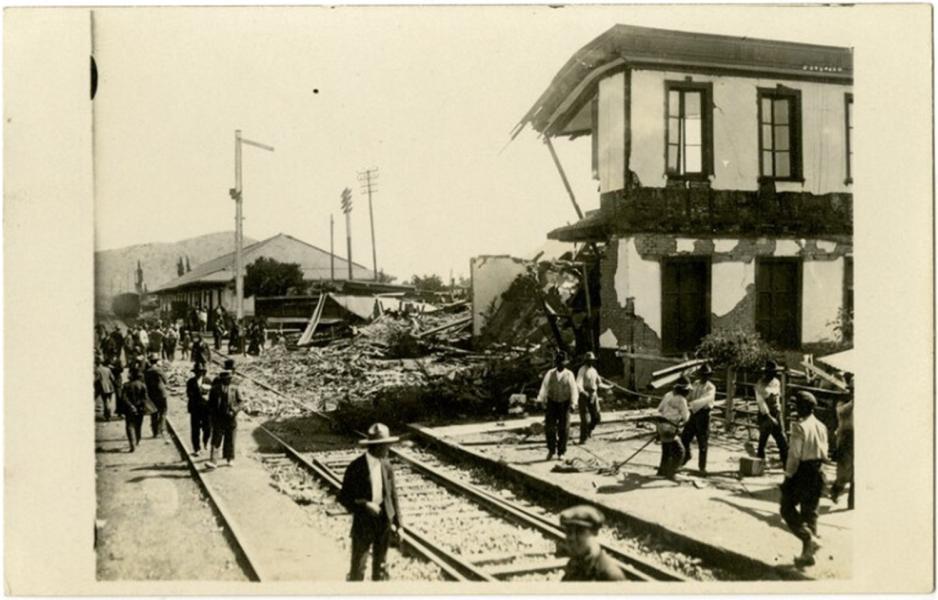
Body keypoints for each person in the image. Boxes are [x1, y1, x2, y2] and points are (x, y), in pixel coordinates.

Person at [338, 423, 403, 582]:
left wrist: (399, 525)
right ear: (376, 447)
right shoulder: (356, 467)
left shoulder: (387, 466)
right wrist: (365, 505)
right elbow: (344, 497)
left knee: (381, 569)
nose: (388, 449)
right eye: (386, 445)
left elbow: (393, 496)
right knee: (358, 568)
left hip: (383, 523)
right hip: (363, 523)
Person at [780, 391, 829, 568]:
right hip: (818, 471)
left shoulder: (799, 427)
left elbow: (794, 455)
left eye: (797, 405)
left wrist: (788, 477)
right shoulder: (821, 426)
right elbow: (825, 451)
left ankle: (808, 538)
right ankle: (807, 554)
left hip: (803, 471)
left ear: (804, 407)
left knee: (786, 508)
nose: (795, 409)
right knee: (810, 513)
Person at [558, 505, 626, 581]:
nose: (572, 538)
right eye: (569, 532)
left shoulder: (610, 575)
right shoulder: (575, 564)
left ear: (595, 533)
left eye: (580, 531)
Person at [537, 351, 579, 461]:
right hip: (552, 402)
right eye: (559, 363)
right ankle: (551, 449)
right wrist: (540, 400)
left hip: (565, 403)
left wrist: (574, 403)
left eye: (562, 363)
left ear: (565, 364)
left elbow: (574, 390)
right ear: (556, 363)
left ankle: (561, 451)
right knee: (549, 427)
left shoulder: (569, 374)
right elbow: (544, 387)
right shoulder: (550, 373)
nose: (560, 365)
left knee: (563, 428)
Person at [207, 358, 243, 469]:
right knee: (216, 439)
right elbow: (210, 404)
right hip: (218, 417)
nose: (226, 380)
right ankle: (213, 461)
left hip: (231, 417)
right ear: (221, 379)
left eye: (228, 379)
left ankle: (230, 458)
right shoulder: (215, 389)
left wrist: (234, 411)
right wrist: (212, 416)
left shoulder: (234, 389)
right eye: (224, 379)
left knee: (230, 439)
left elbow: (241, 402)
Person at [681, 363, 716, 475]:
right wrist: (684, 402)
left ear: (709, 376)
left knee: (703, 442)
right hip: (693, 414)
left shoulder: (710, 387)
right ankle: (686, 456)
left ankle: (702, 467)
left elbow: (704, 400)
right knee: (685, 438)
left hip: (703, 415)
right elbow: (689, 395)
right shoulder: (695, 384)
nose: (704, 377)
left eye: (706, 375)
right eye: (702, 374)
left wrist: (691, 405)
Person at [755, 360, 789, 465]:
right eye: (770, 372)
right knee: (763, 440)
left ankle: (786, 465)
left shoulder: (776, 382)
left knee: (782, 440)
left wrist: (778, 413)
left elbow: (777, 399)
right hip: (765, 414)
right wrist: (769, 417)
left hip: (776, 413)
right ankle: (759, 464)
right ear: (766, 372)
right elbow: (761, 403)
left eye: (774, 372)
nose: (773, 374)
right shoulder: (760, 385)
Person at [656, 379, 690, 479]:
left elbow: (659, 409)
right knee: (680, 452)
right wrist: (688, 412)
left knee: (666, 450)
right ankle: (671, 472)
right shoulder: (682, 400)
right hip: (671, 427)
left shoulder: (668, 395)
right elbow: (686, 417)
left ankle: (662, 471)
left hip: (661, 425)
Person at [830, 373, 854, 508]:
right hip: (846, 438)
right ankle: (836, 490)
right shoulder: (843, 401)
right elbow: (841, 413)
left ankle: (852, 502)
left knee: (857, 473)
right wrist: (853, 402)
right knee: (844, 471)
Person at [575, 352, 610, 444]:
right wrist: (582, 392)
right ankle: (583, 439)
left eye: (592, 361)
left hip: (593, 395)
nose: (591, 362)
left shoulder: (594, 371)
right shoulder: (582, 370)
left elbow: (599, 383)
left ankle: (589, 430)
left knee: (596, 417)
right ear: (586, 361)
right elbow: (578, 383)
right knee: (585, 419)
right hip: (584, 395)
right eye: (589, 361)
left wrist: (609, 387)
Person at [119, 367, 156, 452]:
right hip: (140, 409)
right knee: (138, 425)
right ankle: (137, 441)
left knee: (129, 426)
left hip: (129, 409)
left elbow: (124, 398)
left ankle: (132, 444)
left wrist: (131, 406)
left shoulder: (126, 385)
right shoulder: (142, 385)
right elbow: (145, 398)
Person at [186, 364, 212, 457]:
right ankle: (196, 448)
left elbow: (211, 393)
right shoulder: (190, 382)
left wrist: (208, 398)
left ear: (203, 372)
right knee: (195, 429)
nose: (198, 374)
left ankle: (205, 442)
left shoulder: (208, 380)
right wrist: (201, 397)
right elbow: (189, 394)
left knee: (207, 428)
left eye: (200, 372)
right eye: (197, 372)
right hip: (195, 408)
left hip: (206, 409)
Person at [143, 353, 168, 439]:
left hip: (151, 394)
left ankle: (155, 432)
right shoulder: (159, 370)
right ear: (157, 361)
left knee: (153, 413)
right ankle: (161, 430)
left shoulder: (146, 371)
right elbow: (166, 380)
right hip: (161, 393)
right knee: (163, 411)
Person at [94, 356, 116, 420]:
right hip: (110, 387)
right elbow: (113, 378)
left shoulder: (98, 369)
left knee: (105, 401)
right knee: (108, 401)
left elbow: (97, 379)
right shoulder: (108, 369)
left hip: (103, 387)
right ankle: (108, 415)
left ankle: (107, 415)